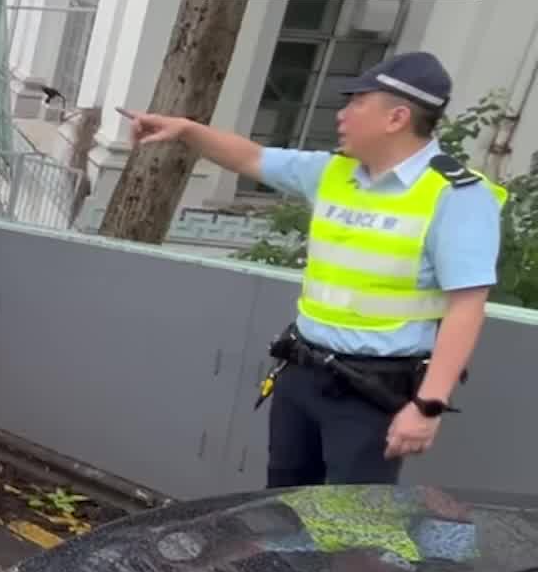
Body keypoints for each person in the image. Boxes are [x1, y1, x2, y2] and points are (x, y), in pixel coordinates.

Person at [120, 52, 506, 486]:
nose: (341, 115)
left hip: (371, 391)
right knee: (282, 504)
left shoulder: (456, 195)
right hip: (302, 373)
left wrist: (428, 405)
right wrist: (187, 131)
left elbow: (467, 306)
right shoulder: (333, 172)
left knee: (347, 524)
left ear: (396, 117)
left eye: (357, 103)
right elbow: (251, 158)